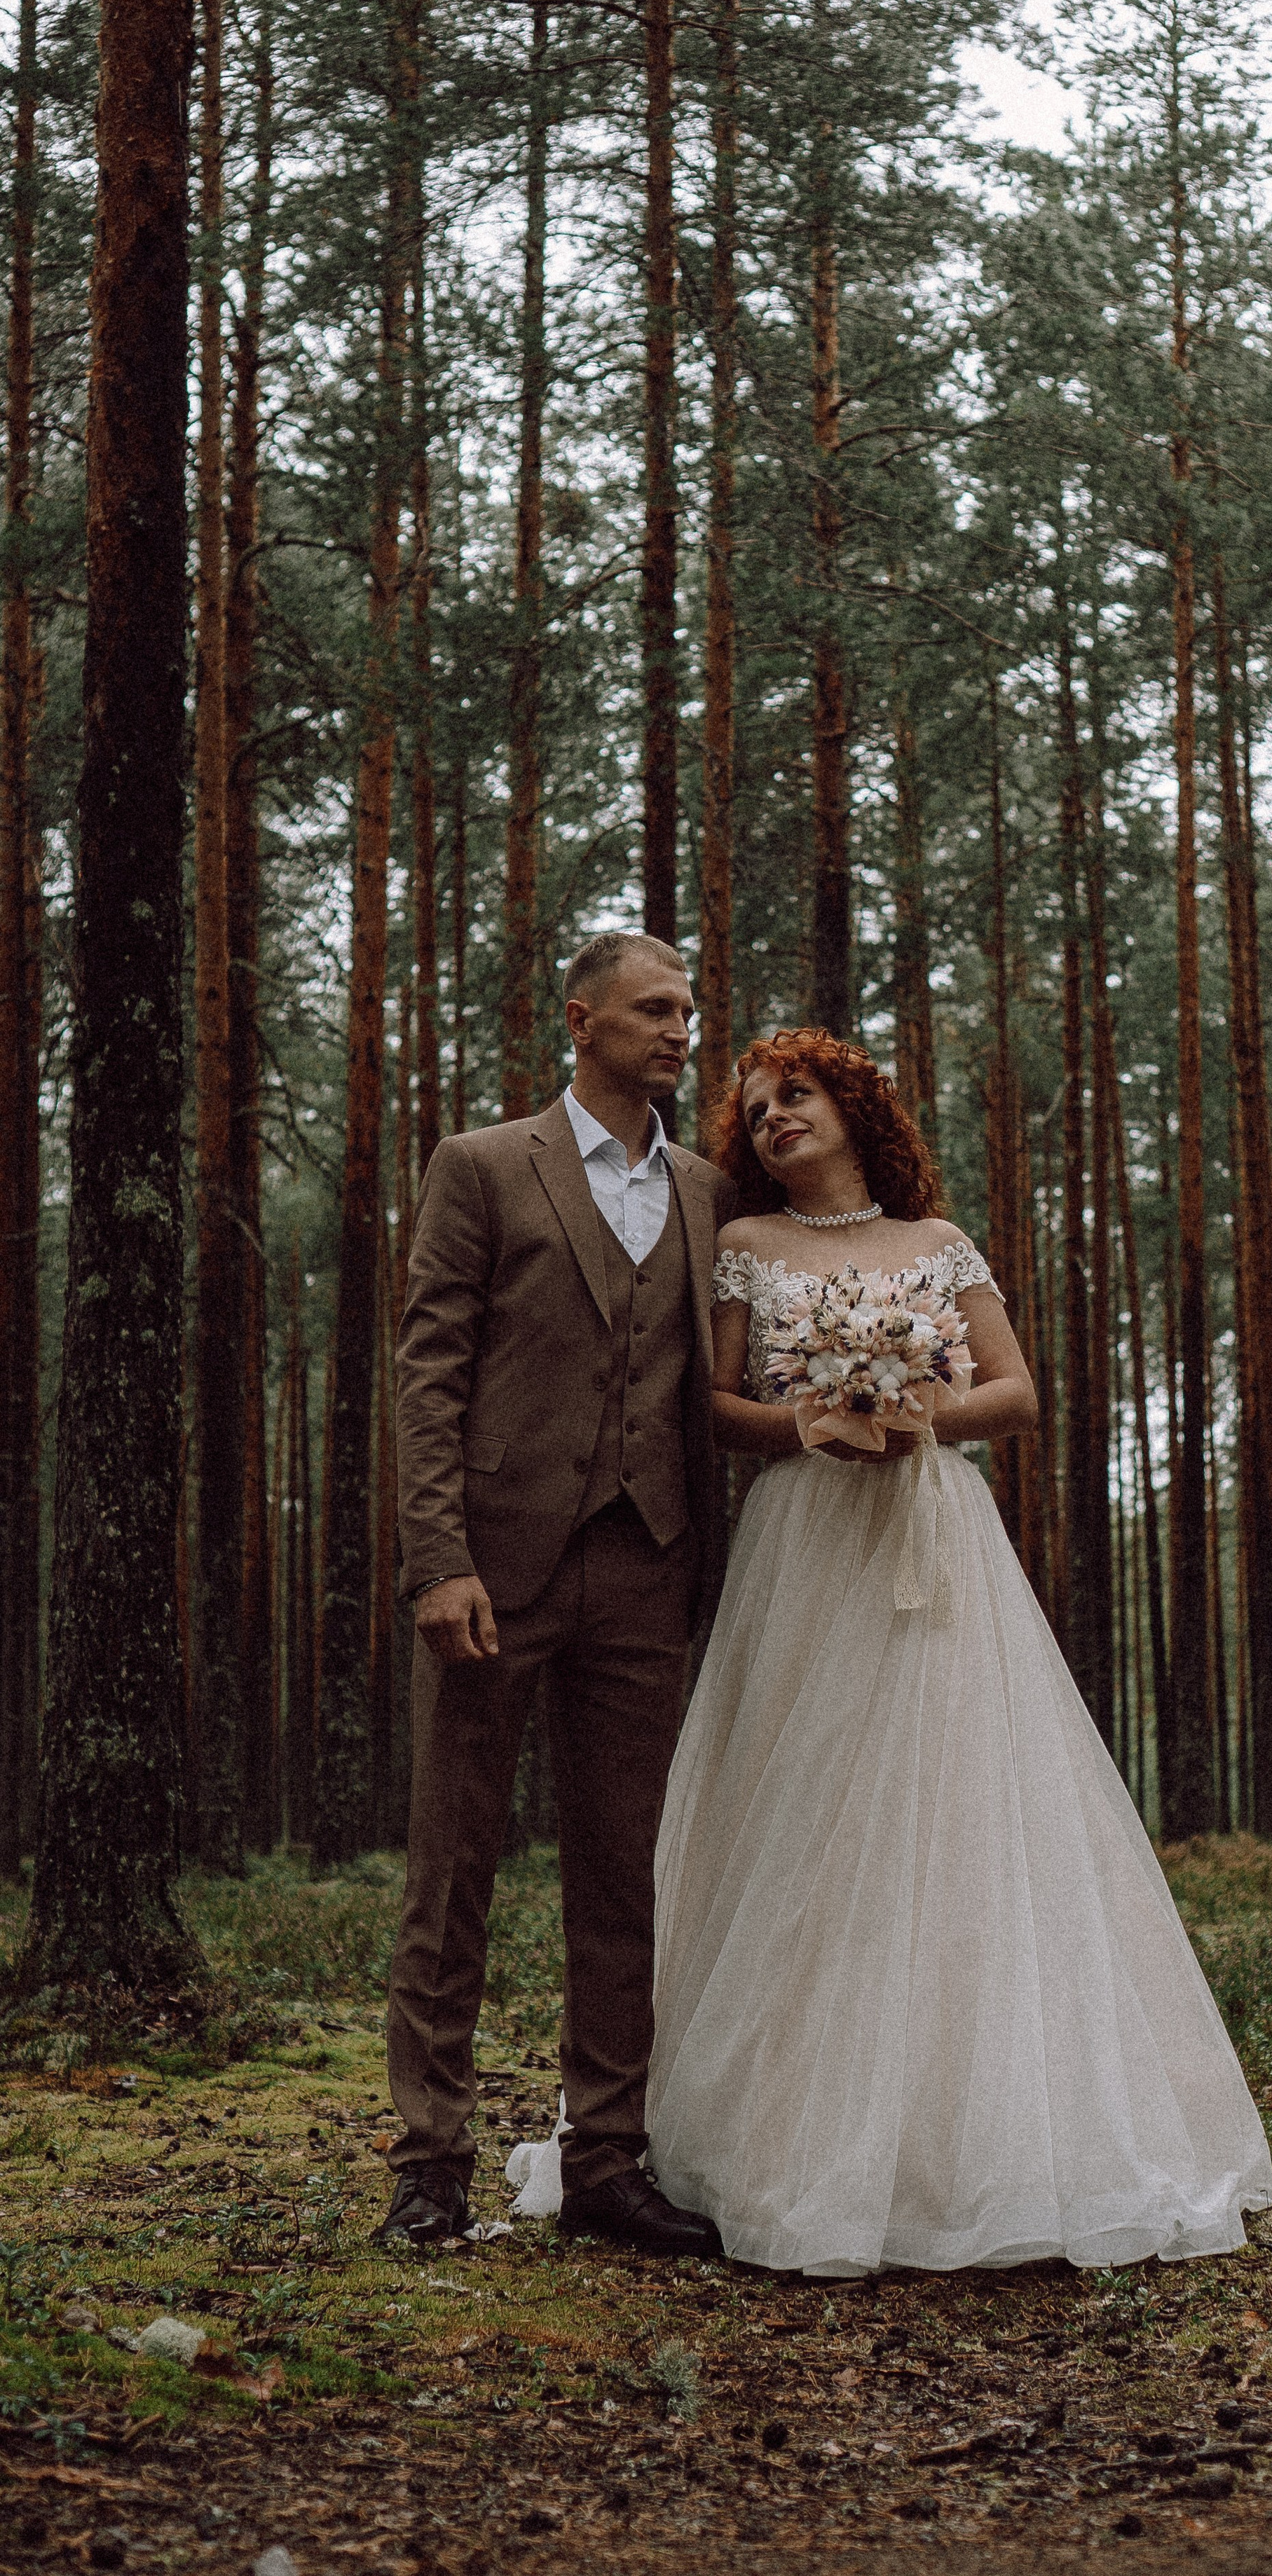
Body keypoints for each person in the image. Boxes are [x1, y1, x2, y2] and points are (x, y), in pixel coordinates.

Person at [510, 1028, 1272, 2276]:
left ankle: (970, 2142)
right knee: (803, 1813)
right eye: (755, 1112)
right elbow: (707, 1405)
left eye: (794, 1097)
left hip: (935, 1537)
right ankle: (780, 2136)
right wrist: (808, 1419)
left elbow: (1017, 1392)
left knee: (958, 1810)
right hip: (805, 1545)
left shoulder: (939, 1246)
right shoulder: (745, 1250)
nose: (772, 1121)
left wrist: (920, 1410)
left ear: (858, 1108)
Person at [381, 930, 736, 2256]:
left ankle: (606, 2157)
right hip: (496, 1573)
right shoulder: (481, 1167)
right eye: (653, 1010)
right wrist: (439, 1559)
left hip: (647, 1573)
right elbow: (429, 1377)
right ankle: (430, 2162)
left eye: (688, 1012)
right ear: (581, 1022)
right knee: (452, 1869)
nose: (678, 1032)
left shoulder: (705, 1188)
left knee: (625, 1877)